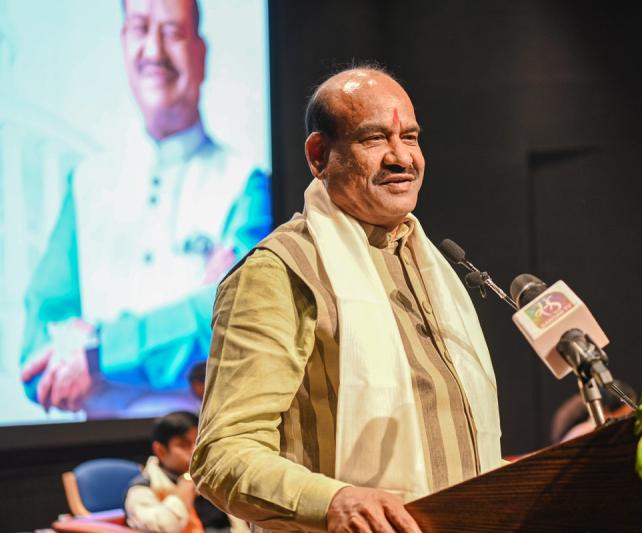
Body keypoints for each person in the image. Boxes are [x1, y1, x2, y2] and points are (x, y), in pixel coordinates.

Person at [190, 66, 504, 532]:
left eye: (410, 137)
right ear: (319, 156)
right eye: (374, 139)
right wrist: (334, 501)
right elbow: (222, 454)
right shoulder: (279, 271)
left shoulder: (431, 268)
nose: (401, 157)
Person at [19, 0, 271, 417]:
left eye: (172, 33)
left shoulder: (246, 184)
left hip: (201, 447)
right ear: (123, 43)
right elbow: (36, 350)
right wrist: (184, 322)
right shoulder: (86, 183)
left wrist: (98, 353)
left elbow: (234, 318)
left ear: (201, 53)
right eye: (140, 28)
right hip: (93, 445)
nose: (154, 51)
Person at [125, 410, 248, 533]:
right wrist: (186, 485)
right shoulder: (141, 488)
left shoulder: (214, 474)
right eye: (184, 445)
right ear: (160, 450)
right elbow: (163, 527)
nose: (195, 451)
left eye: (198, 442)